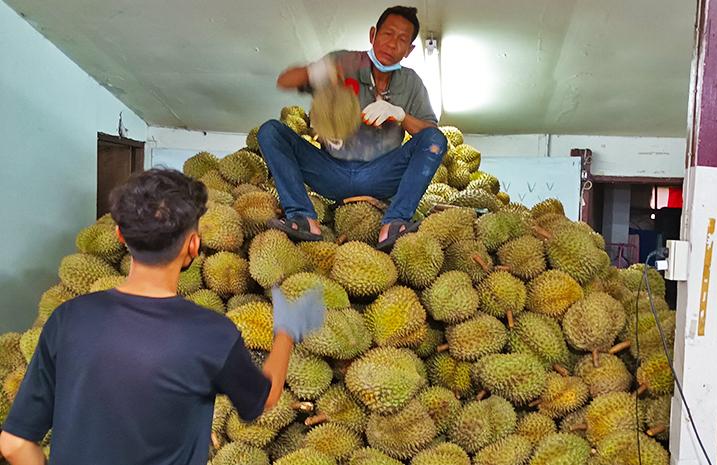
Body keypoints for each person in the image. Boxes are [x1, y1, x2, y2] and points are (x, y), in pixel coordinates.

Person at [0, 169, 325, 465]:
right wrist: (286, 331)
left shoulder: (68, 318)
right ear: (194, 246)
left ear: (120, 237)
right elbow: (264, 398)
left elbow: (14, 444)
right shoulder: (213, 334)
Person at [259, 5, 447, 251]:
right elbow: (284, 80)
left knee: (435, 139)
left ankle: (393, 223)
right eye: (388, 34)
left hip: (381, 175)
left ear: (410, 50)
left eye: (402, 39)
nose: (392, 44)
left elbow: (430, 133)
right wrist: (318, 71)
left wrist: (400, 115)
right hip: (329, 171)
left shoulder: (411, 83)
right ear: (373, 35)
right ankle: (303, 217)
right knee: (270, 132)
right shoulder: (344, 62)